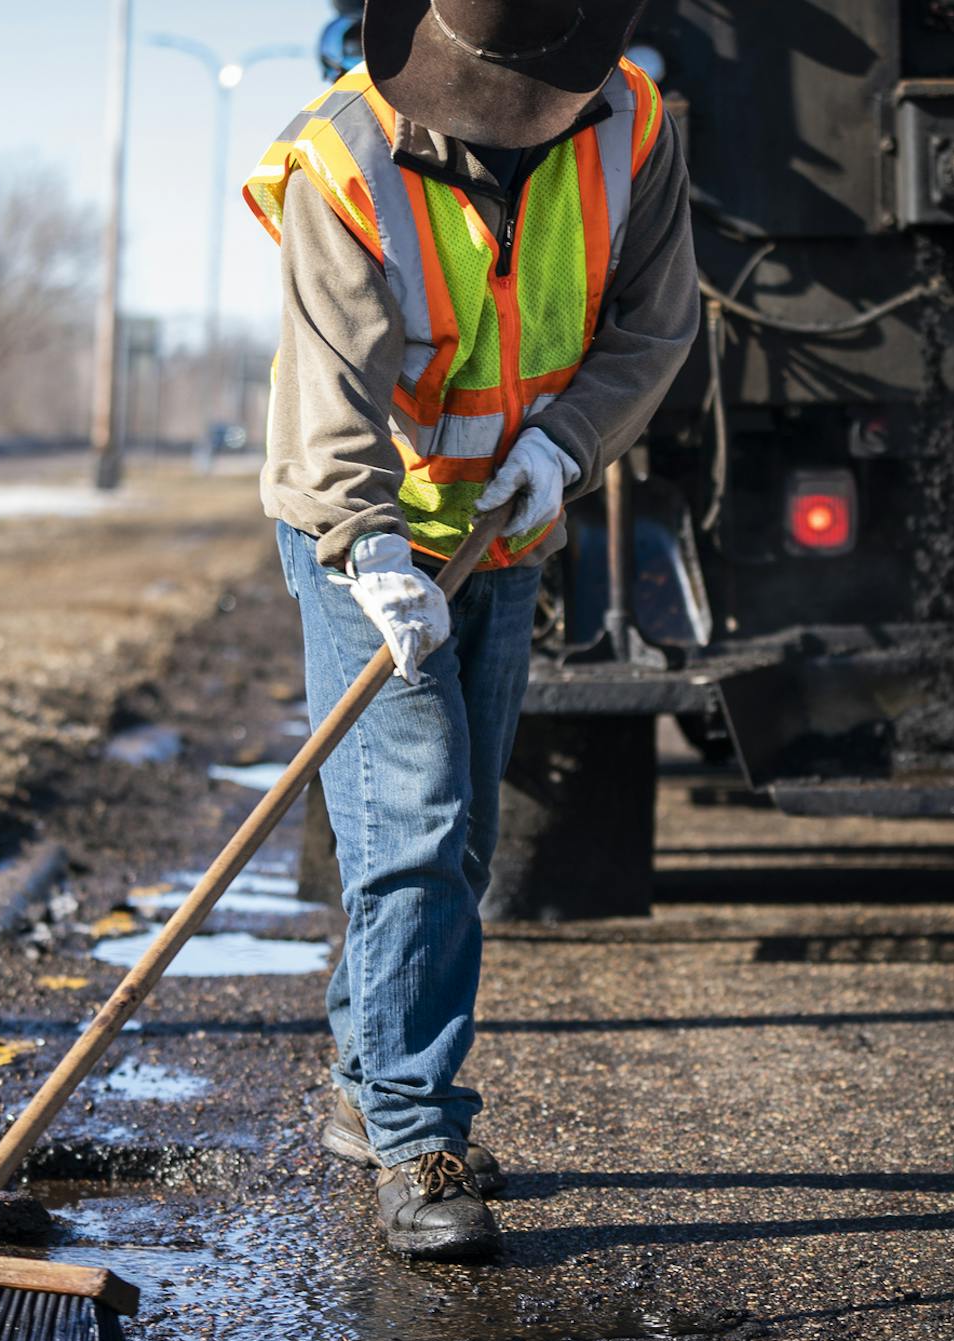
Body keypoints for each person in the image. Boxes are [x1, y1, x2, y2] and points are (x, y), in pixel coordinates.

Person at [241, 0, 698, 1261]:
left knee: (463, 835)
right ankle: (413, 1133)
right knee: (415, 823)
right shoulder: (336, 161)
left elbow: (658, 325)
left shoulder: (635, 127)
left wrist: (567, 443)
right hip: (366, 531)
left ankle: (363, 1079)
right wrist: (370, 548)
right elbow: (331, 393)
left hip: (506, 521)